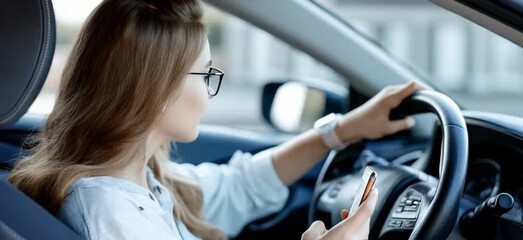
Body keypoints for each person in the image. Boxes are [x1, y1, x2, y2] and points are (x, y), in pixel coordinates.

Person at [8, 0, 420, 239]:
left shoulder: (142, 181)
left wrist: (344, 130)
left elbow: (241, 185)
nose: (210, 90)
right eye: (206, 74)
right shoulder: (111, 212)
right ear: (157, 87)